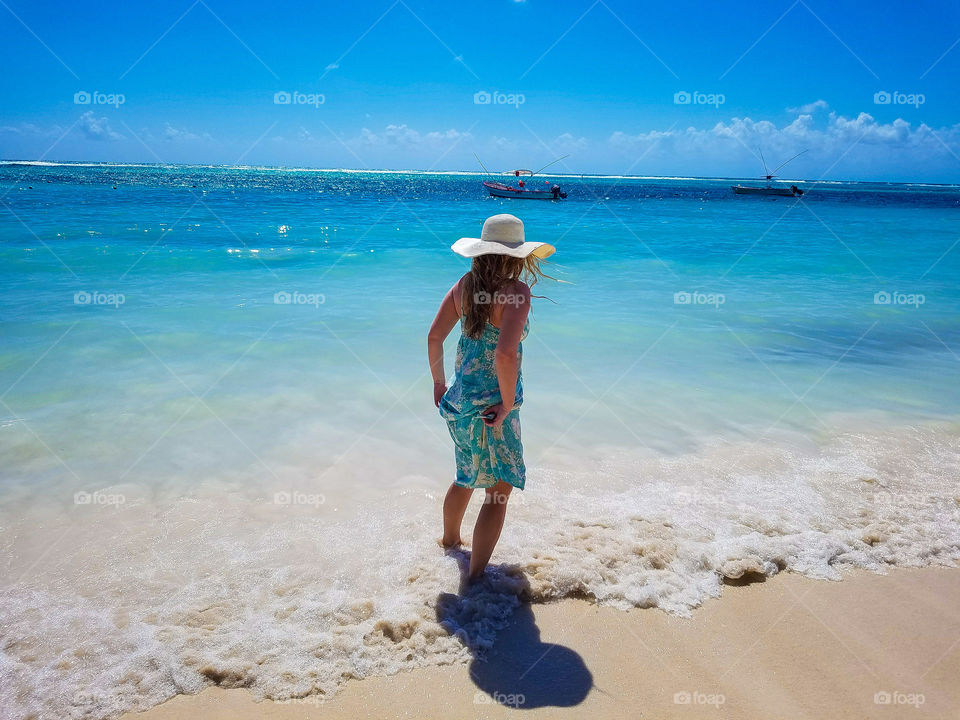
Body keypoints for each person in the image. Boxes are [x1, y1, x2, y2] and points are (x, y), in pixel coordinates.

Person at [427, 214, 555, 580]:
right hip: (492, 409)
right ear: (518, 256)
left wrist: (439, 383)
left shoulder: (465, 286)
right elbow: (504, 354)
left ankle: (449, 543)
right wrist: (507, 404)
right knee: (497, 492)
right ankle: (475, 578)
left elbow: (434, 337)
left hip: (458, 402)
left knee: (465, 476)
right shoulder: (516, 292)